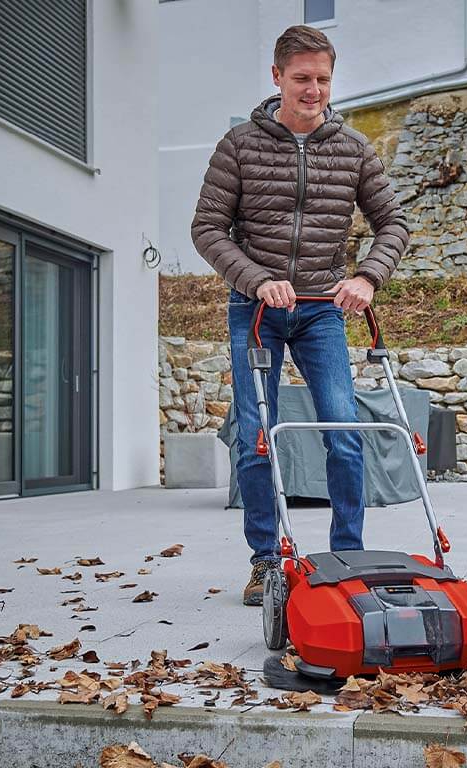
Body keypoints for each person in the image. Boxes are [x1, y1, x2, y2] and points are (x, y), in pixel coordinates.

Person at [191, 25, 410, 605]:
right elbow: (207, 230)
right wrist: (258, 280)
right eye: (302, 79)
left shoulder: (354, 149)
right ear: (276, 77)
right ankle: (265, 561)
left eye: (323, 80)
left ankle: (349, 556)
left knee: (342, 431)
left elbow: (393, 225)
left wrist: (366, 277)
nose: (313, 91)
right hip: (256, 311)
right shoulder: (238, 145)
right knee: (256, 437)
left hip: (321, 314)